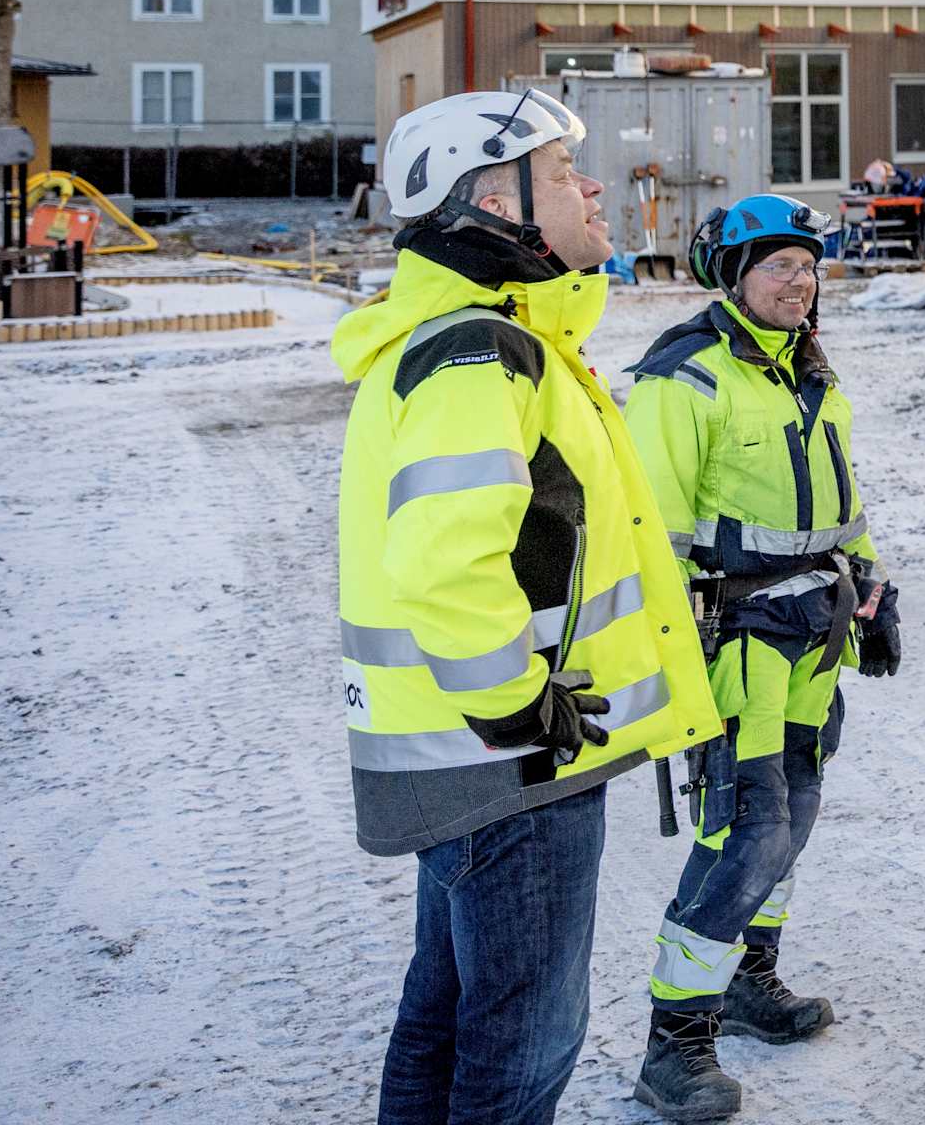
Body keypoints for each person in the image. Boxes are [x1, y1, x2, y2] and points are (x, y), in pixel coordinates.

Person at [334, 88, 721, 1125]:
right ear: (492, 205)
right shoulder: (476, 353)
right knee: (522, 1041)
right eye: (559, 174)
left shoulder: (494, 340)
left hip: (475, 757)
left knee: (451, 1012)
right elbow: (445, 564)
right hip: (511, 762)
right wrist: (513, 700)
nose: (592, 185)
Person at [620, 195, 900, 1122]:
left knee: (798, 815)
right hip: (733, 639)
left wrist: (873, 584)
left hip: (814, 634)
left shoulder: (806, 374)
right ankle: (675, 1042)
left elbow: (841, 507)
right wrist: (666, 652)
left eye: (809, 266)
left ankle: (748, 981)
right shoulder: (685, 376)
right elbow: (648, 533)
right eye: (778, 265)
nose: (799, 281)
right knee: (747, 831)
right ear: (730, 276)